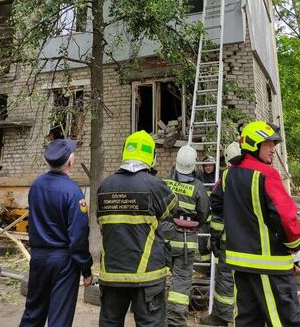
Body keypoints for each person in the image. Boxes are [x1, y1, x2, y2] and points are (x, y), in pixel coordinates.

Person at [211, 121, 300, 326]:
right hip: (269, 265)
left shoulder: (228, 174)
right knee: (286, 320)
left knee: (248, 319)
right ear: (254, 144)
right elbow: (285, 216)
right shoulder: (267, 174)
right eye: (269, 144)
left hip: (240, 264)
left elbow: (216, 204)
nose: (273, 149)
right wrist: (295, 246)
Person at [97, 130, 178, 327]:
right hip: (147, 277)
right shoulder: (155, 185)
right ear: (151, 156)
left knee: (110, 323)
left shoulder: (104, 186)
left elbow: (102, 225)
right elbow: (172, 212)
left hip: (112, 275)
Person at [20, 138, 93, 327]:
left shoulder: (36, 185)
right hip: (64, 262)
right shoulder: (73, 193)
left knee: (33, 312)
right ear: (70, 161)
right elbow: (78, 237)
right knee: (59, 318)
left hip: (38, 258)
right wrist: (86, 268)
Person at [163, 146, 210, 327]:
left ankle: (153, 315)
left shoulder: (165, 182)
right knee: (181, 283)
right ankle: (175, 321)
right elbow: (203, 214)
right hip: (185, 241)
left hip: (164, 239)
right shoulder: (198, 187)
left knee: (158, 277)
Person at [201, 142, 241, 327]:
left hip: (228, 240)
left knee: (225, 279)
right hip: (252, 242)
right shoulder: (259, 175)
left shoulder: (225, 179)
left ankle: (224, 317)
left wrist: (215, 237)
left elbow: (217, 212)